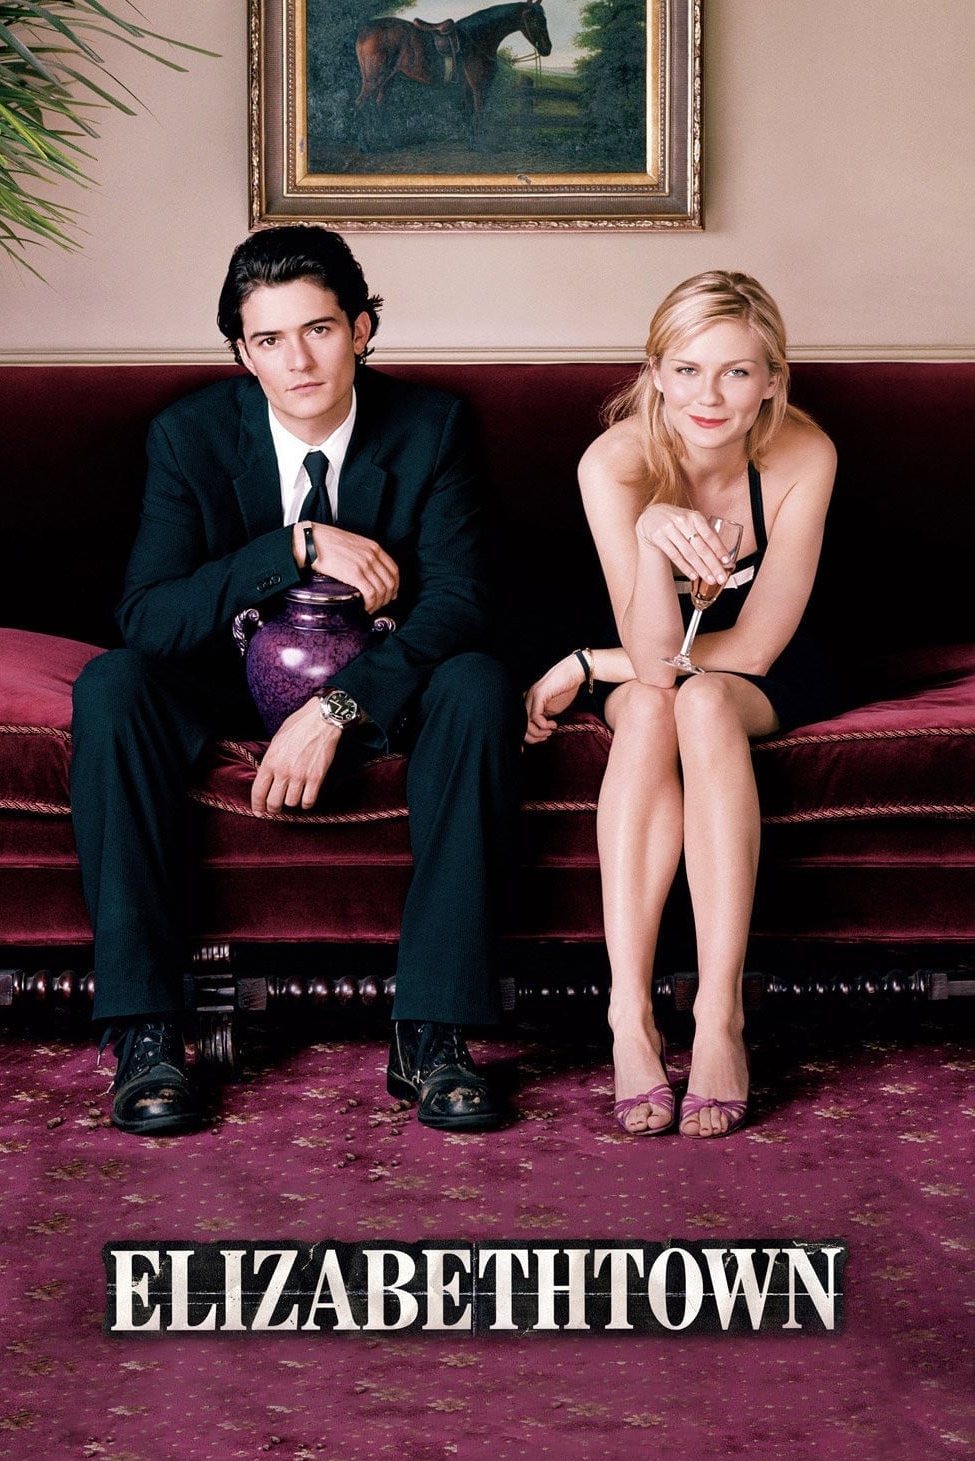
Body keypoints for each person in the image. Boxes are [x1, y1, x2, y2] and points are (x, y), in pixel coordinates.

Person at [71, 224, 524, 1137]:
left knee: (477, 683)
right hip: (228, 685)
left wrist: (337, 708)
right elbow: (149, 617)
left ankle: (431, 1034)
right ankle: (146, 1034)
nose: (299, 361)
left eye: (319, 330)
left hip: (382, 690)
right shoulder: (189, 437)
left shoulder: (432, 427)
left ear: (361, 328)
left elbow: (461, 603)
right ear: (243, 353)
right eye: (269, 340)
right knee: (113, 684)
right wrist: (293, 546)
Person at [524, 271, 838, 1140]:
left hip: (763, 661)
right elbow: (659, 662)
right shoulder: (614, 462)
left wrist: (588, 664)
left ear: (771, 380)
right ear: (656, 373)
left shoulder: (804, 453)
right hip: (654, 656)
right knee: (660, 707)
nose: (710, 397)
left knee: (702, 705)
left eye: (736, 372)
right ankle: (629, 1016)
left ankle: (718, 1017)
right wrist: (650, 536)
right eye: (689, 370)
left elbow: (757, 648)